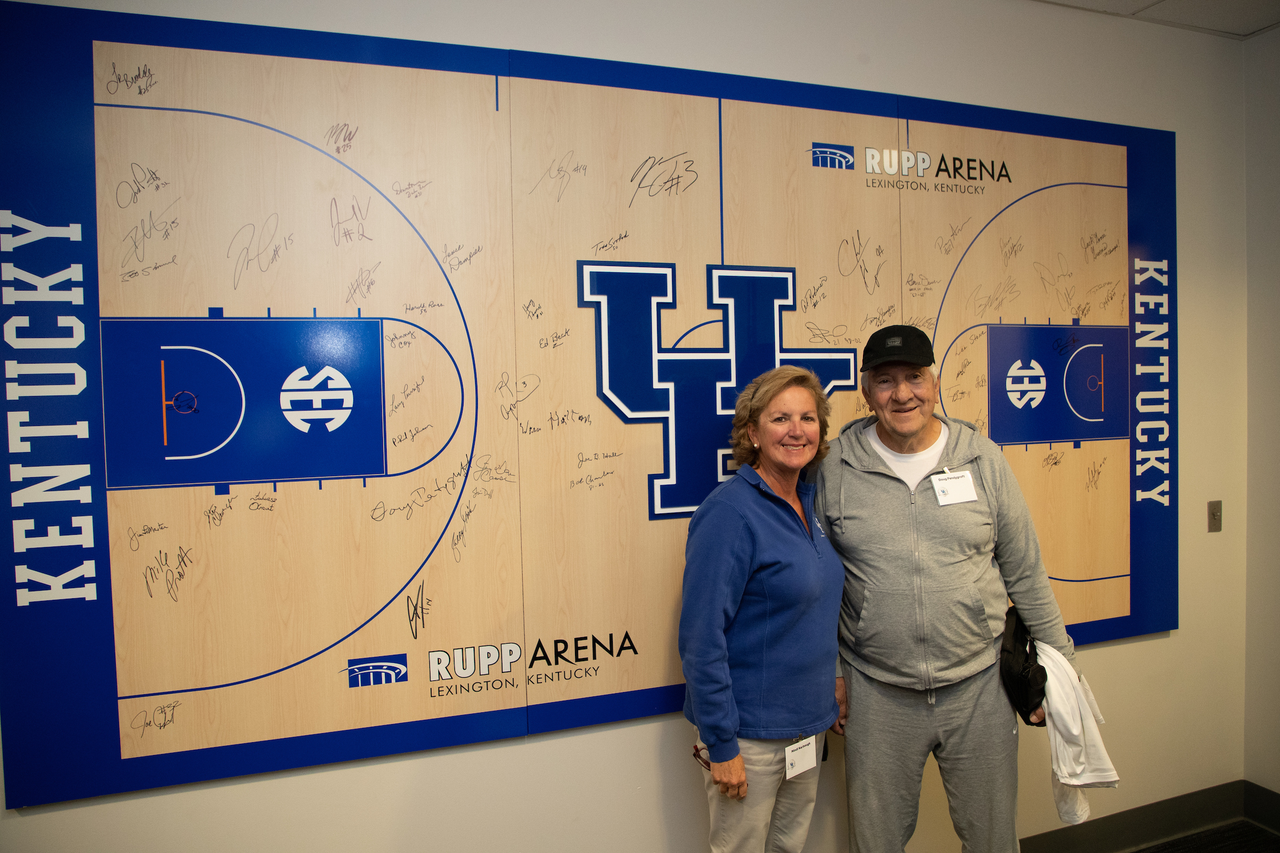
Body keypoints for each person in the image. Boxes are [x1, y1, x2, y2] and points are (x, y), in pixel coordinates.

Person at [817, 325, 1078, 853]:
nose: (902, 393)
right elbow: (818, 584)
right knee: (876, 843)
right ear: (866, 392)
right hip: (877, 693)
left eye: (914, 377)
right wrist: (835, 674)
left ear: (935, 382)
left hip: (978, 686)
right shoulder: (835, 468)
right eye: (885, 382)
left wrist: (1059, 670)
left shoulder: (982, 458)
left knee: (992, 840)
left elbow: (1025, 571)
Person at [679, 366, 847, 853]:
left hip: (806, 730)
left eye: (808, 418)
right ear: (752, 432)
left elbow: (814, 611)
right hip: (749, 738)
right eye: (780, 418)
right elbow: (701, 638)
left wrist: (833, 679)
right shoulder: (730, 512)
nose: (797, 430)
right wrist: (723, 744)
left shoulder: (807, 501)